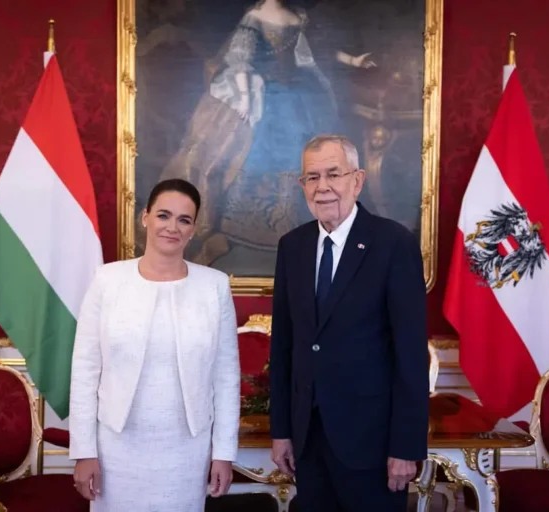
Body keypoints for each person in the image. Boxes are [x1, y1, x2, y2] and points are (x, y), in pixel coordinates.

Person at [268, 134, 429, 511]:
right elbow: (284, 347)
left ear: (357, 180)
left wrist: (405, 447)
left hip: (373, 445)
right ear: (302, 186)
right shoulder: (292, 246)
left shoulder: (393, 243)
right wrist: (282, 432)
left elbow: (410, 354)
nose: (322, 186)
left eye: (333, 174)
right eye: (312, 177)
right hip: (308, 441)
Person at [68, 178, 241, 511]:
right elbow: (85, 371)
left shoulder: (214, 287)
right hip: (115, 447)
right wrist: (84, 451)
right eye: (163, 215)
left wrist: (223, 453)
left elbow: (226, 377)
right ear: (145, 217)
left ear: (193, 229)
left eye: (184, 220)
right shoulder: (107, 280)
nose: (172, 227)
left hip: (187, 450)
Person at [160, 0, 338, 266]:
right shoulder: (255, 16)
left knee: (301, 148)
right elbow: (240, 61)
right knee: (259, 149)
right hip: (264, 93)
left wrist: (352, 60)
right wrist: (244, 97)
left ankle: (292, 216)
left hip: (296, 92)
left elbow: (306, 58)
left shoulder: (297, 17)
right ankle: (245, 222)